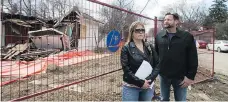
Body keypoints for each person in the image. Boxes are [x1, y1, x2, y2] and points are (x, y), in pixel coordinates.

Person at [155, 13, 198, 101]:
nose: (166, 21)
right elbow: (156, 55)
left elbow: (193, 58)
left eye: (169, 19)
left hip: (181, 77)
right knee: (164, 99)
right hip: (164, 76)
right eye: (165, 19)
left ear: (176, 21)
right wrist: (156, 72)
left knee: (180, 100)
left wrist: (190, 77)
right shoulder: (159, 36)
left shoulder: (187, 37)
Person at [121, 21, 160, 101]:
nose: (141, 32)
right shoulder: (126, 48)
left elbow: (157, 64)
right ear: (132, 32)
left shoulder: (149, 47)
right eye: (137, 30)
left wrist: (149, 80)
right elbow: (126, 69)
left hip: (148, 86)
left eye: (142, 30)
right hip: (131, 87)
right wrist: (141, 83)